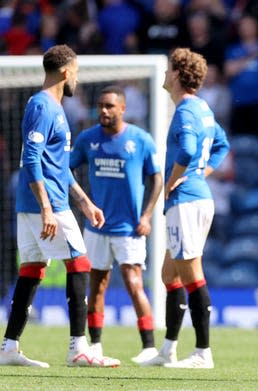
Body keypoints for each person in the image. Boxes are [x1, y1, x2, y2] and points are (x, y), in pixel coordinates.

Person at [0, 44, 120, 368]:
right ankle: (78, 349)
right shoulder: (43, 106)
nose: (77, 81)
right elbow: (31, 159)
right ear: (66, 72)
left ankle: (9, 346)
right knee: (79, 263)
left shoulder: (50, 106)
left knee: (32, 269)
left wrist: (84, 202)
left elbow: (59, 165)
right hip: (46, 202)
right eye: (77, 74)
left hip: (40, 201)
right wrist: (47, 208)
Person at [140, 47, 230, 369]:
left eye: (168, 69)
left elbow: (190, 149)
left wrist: (174, 180)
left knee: (192, 275)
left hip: (187, 201)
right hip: (195, 197)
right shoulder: (202, 108)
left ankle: (203, 353)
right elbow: (221, 144)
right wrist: (201, 172)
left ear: (177, 74)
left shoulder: (186, 111)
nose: (164, 74)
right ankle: (168, 350)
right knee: (169, 274)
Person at [69, 85, 163, 363]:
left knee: (134, 283)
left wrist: (147, 216)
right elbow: (67, 169)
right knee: (97, 284)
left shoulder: (141, 140)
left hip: (129, 228)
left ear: (123, 108)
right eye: (100, 106)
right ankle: (95, 345)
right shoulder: (87, 139)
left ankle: (149, 346)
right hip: (97, 227)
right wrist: (81, 200)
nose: (104, 111)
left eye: (110, 106)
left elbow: (156, 179)